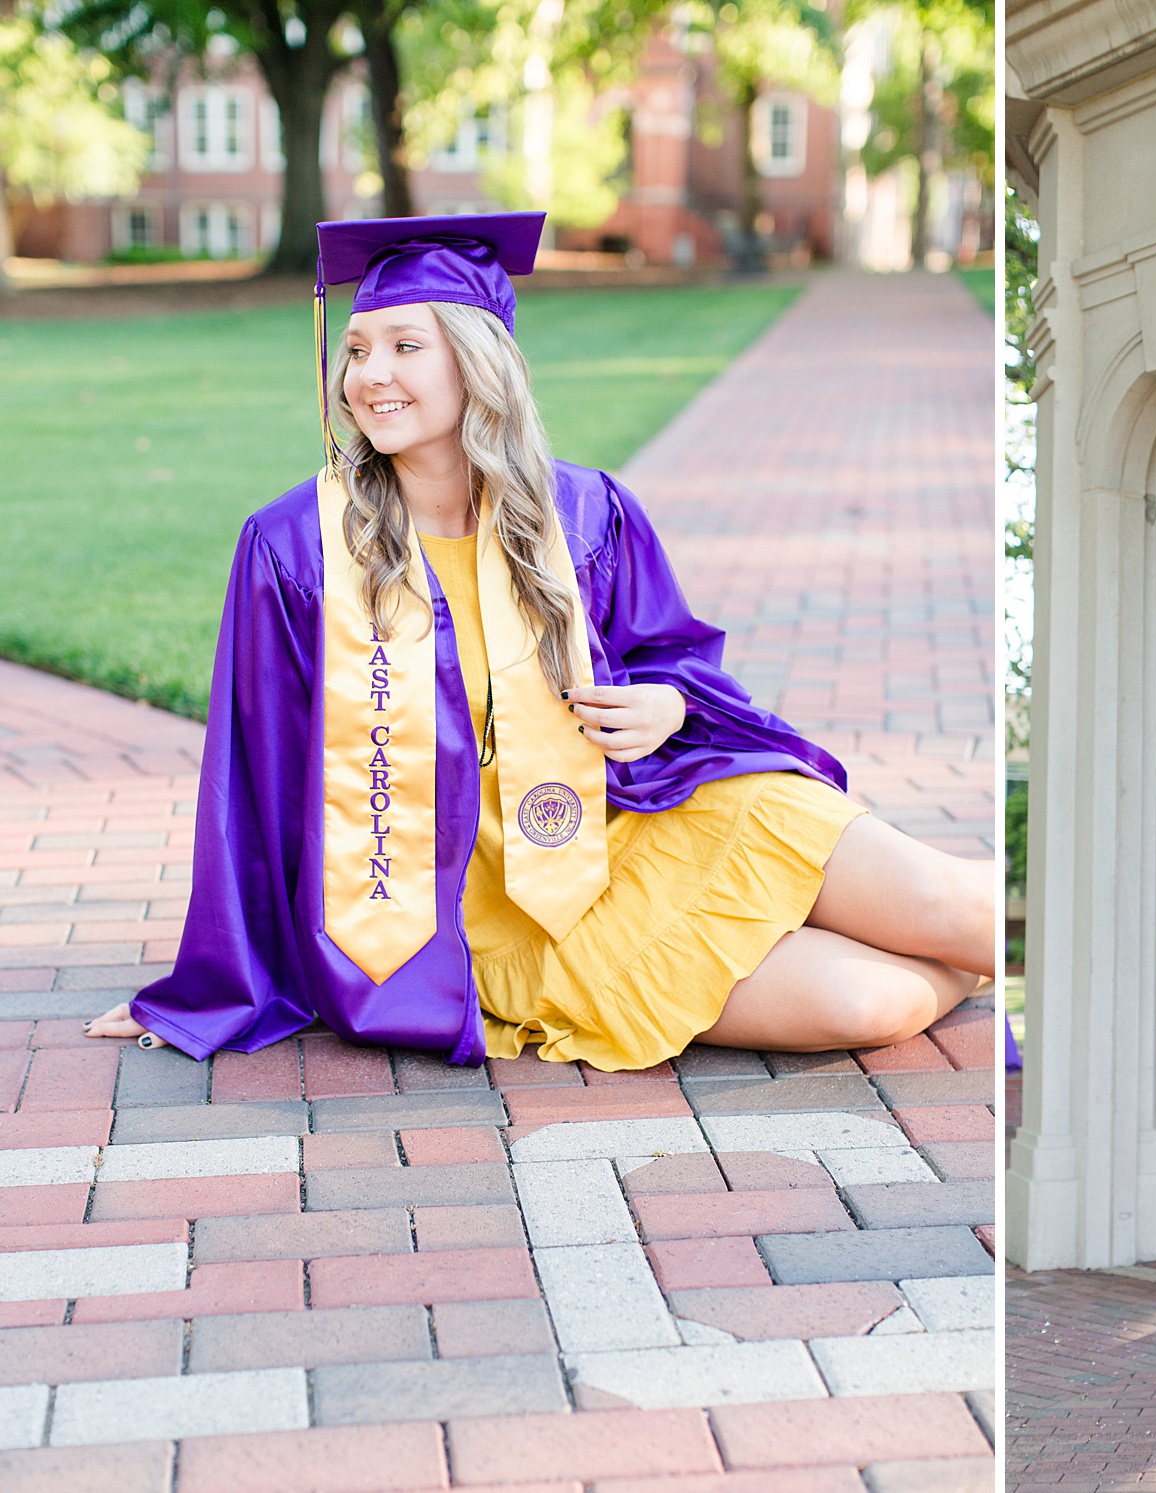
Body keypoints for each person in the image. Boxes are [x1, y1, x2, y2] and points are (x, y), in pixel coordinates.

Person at [86, 212, 992, 1070]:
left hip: (651, 812)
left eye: (407, 347)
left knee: (958, 907)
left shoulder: (584, 513)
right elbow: (255, 772)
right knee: (871, 1003)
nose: (370, 375)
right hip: (499, 911)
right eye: (358, 350)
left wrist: (666, 702)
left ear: (479, 364)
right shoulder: (296, 549)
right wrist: (216, 983)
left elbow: (674, 657)